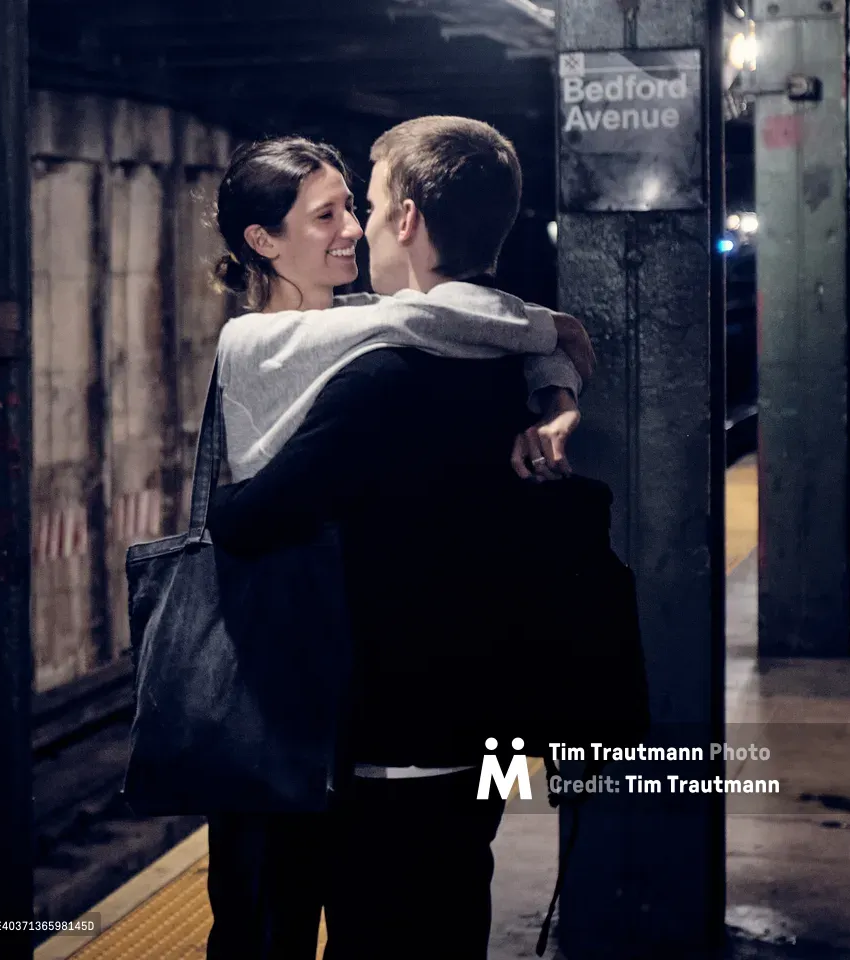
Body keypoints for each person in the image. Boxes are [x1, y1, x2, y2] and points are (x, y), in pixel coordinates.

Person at [201, 127, 594, 960]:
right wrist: (552, 357)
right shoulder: (304, 346)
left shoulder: (390, 350)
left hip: (357, 717)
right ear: (262, 243)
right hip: (299, 702)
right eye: (327, 215)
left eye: (359, 206)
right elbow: (494, 323)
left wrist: (550, 367)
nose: (351, 228)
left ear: (405, 220)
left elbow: (239, 523)